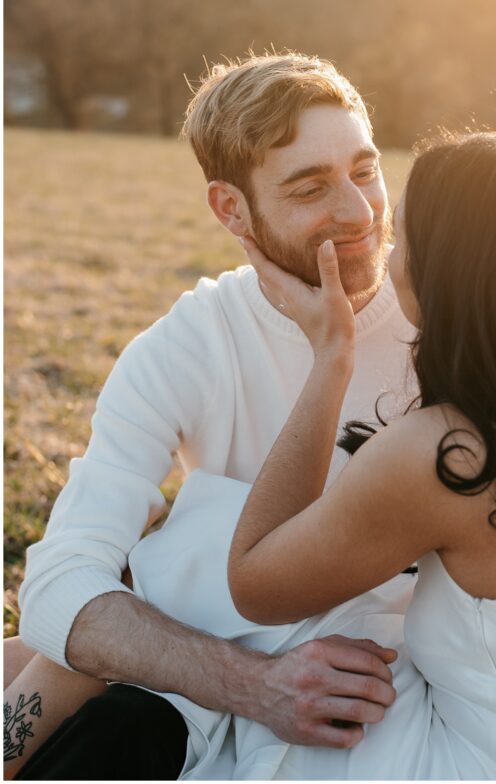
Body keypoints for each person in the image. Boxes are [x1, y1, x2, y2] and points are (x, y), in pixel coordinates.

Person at [84, 131, 496, 779]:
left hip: (480, 766)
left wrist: (329, 359)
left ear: (443, 274)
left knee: (206, 530)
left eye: (408, 237)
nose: (381, 238)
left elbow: (255, 585)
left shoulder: (447, 453)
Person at [5, 52, 418, 779]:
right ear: (231, 208)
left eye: (364, 169)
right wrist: (255, 686)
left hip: (385, 703)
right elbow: (62, 583)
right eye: (310, 187)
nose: (359, 212)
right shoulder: (190, 342)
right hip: (206, 692)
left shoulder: (451, 332)